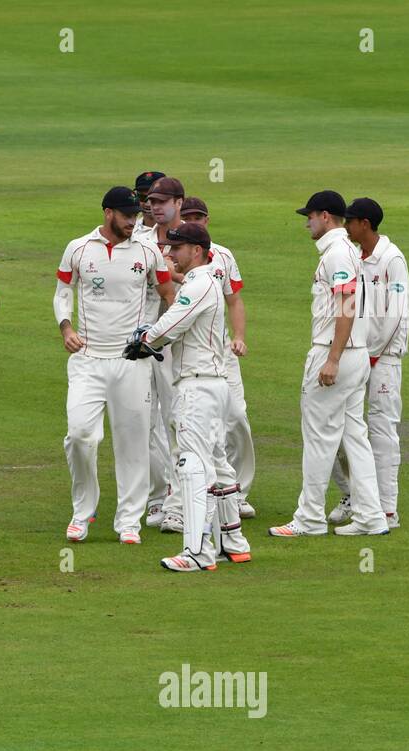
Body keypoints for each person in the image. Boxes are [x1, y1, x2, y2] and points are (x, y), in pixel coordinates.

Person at [124, 222, 251, 572]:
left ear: (196, 251)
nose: (169, 254)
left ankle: (197, 551)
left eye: (176, 248)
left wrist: (144, 341)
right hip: (212, 384)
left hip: (198, 385)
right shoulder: (205, 281)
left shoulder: (199, 282)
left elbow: (171, 324)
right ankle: (233, 541)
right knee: (219, 464)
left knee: (193, 466)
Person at [55, 186, 173, 544]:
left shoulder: (148, 250)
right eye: (127, 216)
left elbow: (168, 297)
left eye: (136, 216)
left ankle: (129, 521)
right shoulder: (78, 248)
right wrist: (66, 327)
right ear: (108, 213)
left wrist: (154, 338)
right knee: (79, 434)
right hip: (88, 359)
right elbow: (63, 292)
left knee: (133, 441)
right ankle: (82, 511)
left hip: (131, 360)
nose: (133, 222)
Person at [269, 191, 388, 538]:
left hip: (336, 352)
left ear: (325, 216)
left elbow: (347, 303)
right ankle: (370, 516)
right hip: (356, 353)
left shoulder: (336, 253)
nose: (306, 221)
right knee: (354, 437)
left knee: (320, 437)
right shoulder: (347, 251)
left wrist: (332, 358)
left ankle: (309, 519)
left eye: (310, 215)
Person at [328, 198, 409, 529]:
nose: (345, 227)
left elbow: (399, 313)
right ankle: (355, 496)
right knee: (334, 425)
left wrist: (375, 353)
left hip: (384, 359)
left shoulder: (392, 259)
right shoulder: (351, 257)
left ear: (364, 223)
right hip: (357, 355)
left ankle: (387, 509)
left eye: (349, 221)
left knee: (381, 430)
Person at [180, 196, 257, 519]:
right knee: (190, 427)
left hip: (222, 352)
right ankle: (188, 494)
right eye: (188, 217)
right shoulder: (176, 254)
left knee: (237, 417)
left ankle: (238, 492)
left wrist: (238, 338)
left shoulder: (223, 256)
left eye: (199, 217)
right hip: (190, 354)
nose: (194, 221)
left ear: (208, 220)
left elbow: (235, 300)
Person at [143, 176, 187, 532]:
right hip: (141, 343)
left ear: (179, 202)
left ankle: (178, 499)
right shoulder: (139, 241)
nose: (154, 206)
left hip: (175, 345)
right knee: (145, 421)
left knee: (176, 418)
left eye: (162, 201)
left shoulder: (193, 241)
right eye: (151, 201)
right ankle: (159, 496)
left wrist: (169, 272)